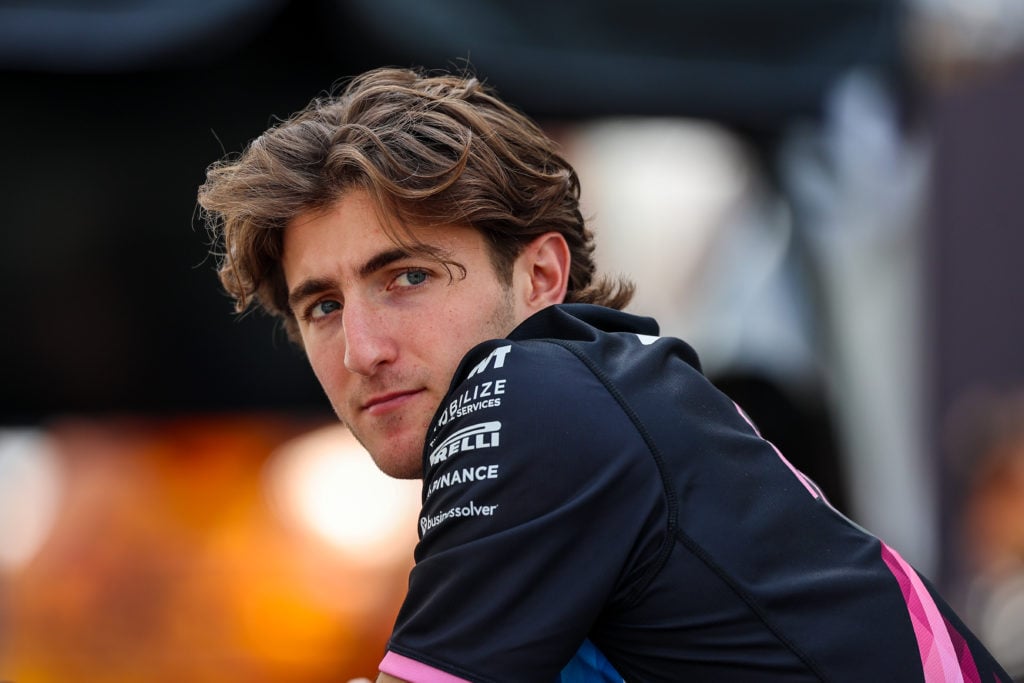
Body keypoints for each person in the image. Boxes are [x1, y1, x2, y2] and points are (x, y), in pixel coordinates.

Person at [197, 67, 1009, 682]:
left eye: (408, 276)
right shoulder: (605, 405)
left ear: (542, 276)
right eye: (322, 306)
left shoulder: (532, 389)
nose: (362, 348)